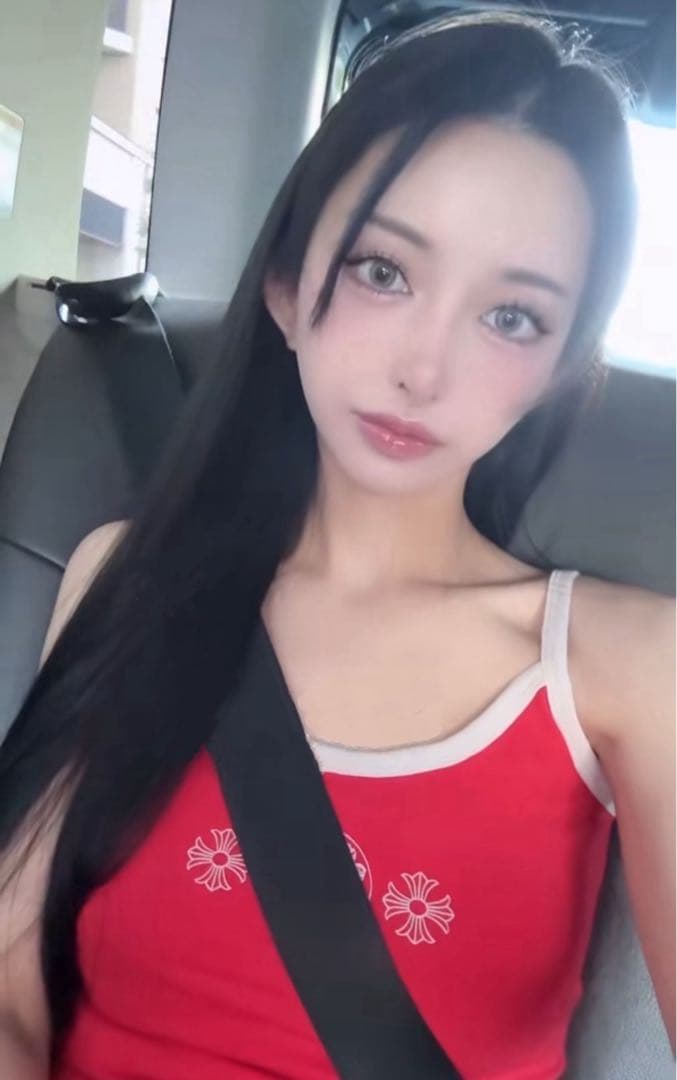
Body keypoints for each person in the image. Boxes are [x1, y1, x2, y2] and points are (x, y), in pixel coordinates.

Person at [0, 10, 674, 1079]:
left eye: (511, 318)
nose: (422, 369)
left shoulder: (626, 665)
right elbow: (9, 989)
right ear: (285, 286)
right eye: (382, 271)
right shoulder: (125, 577)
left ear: (556, 369)